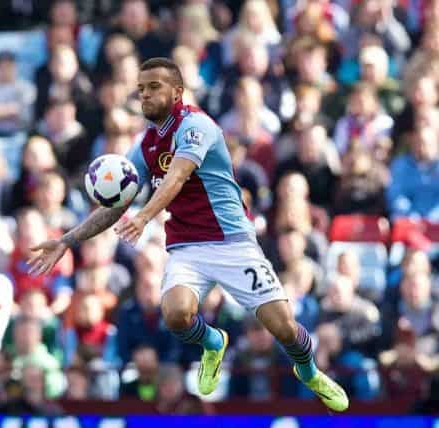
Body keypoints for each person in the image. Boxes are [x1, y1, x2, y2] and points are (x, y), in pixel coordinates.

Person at [28, 58, 349, 411]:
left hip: (232, 241)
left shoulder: (197, 126)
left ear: (177, 92)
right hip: (187, 246)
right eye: (141, 90)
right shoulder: (145, 144)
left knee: (284, 327)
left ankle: (309, 371)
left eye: (154, 88)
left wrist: (146, 215)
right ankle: (213, 342)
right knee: (175, 314)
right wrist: (66, 241)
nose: (145, 96)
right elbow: (117, 205)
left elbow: (178, 175)